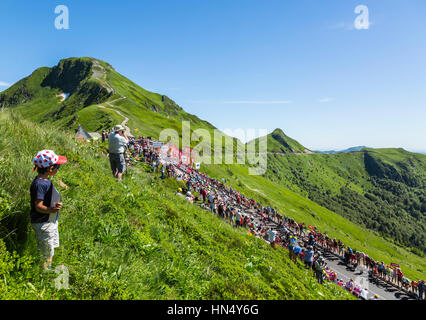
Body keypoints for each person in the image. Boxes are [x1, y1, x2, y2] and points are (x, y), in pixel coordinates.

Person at [30, 150, 67, 270]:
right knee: (46, 252)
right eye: (58, 167)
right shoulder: (40, 184)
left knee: (49, 249)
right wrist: (51, 209)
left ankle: (48, 269)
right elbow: (38, 206)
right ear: (50, 169)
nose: (58, 169)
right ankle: (45, 274)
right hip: (43, 223)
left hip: (49, 221)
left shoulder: (44, 182)